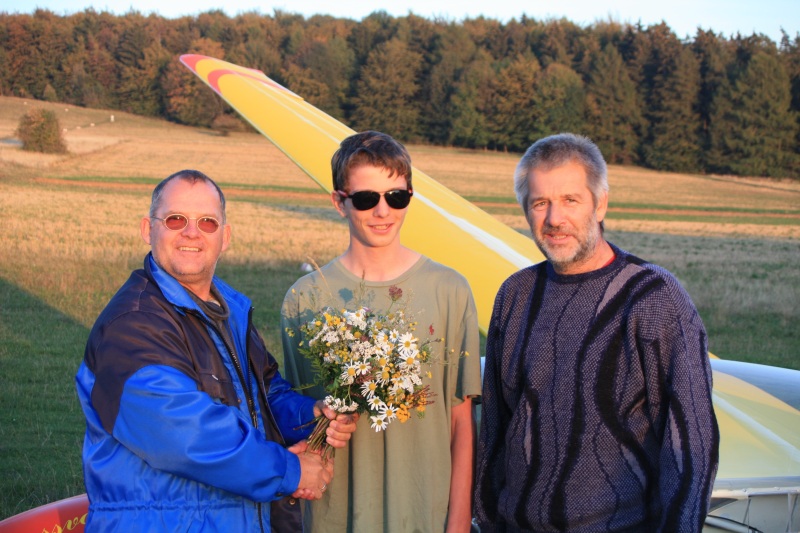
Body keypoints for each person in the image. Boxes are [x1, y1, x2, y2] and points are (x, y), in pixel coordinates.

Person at [75, 169, 358, 531]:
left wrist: (312, 416)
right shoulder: (133, 325)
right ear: (148, 229)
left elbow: (264, 395)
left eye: (207, 222)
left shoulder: (228, 311)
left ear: (225, 237)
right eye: (176, 219)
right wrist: (292, 471)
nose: (191, 232)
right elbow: (186, 435)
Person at [474, 133, 719, 532]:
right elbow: (495, 432)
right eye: (540, 203)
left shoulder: (653, 298)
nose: (554, 219)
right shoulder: (514, 295)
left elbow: (691, 444)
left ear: (600, 203)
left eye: (570, 200)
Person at [280, 131, 482, 533]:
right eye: (366, 199)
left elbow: (462, 421)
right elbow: (295, 413)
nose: (382, 211)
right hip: (337, 516)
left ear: (410, 196)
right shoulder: (304, 300)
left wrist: (459, 521)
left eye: (396, 197)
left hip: (426, 513)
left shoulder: (450, 290)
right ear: (339, 202)